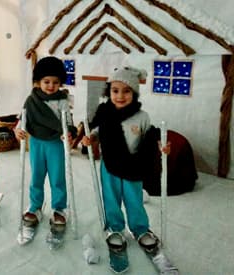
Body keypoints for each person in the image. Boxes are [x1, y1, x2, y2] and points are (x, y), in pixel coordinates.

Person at [81, 66, 171, 272]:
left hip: (133, 165)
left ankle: (139, 228)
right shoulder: (104, 113)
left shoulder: (142, 116)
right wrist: (89, 138)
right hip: (109, 164)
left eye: (126, 91)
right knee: (111, 197)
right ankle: (115, 227)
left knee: (134, 197)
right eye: (115, 91)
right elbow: (94, 131)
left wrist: (161, 145)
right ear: (109, 91)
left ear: (134, 93)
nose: (120, 96)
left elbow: (152, 135)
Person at [14, 56, 77, 237]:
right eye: (46, 81)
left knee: (57, 177)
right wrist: (18, 130)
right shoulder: (31, 100)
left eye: (55, 82)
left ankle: (59, 208)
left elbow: (69, 122)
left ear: (60, 83)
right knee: (37, 176)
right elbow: (22, 118)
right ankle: (35, 206)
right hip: (37, 143)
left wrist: (69, 132)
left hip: (56, 143)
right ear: (38, 82)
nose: (51, 86)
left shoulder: (63, 101)